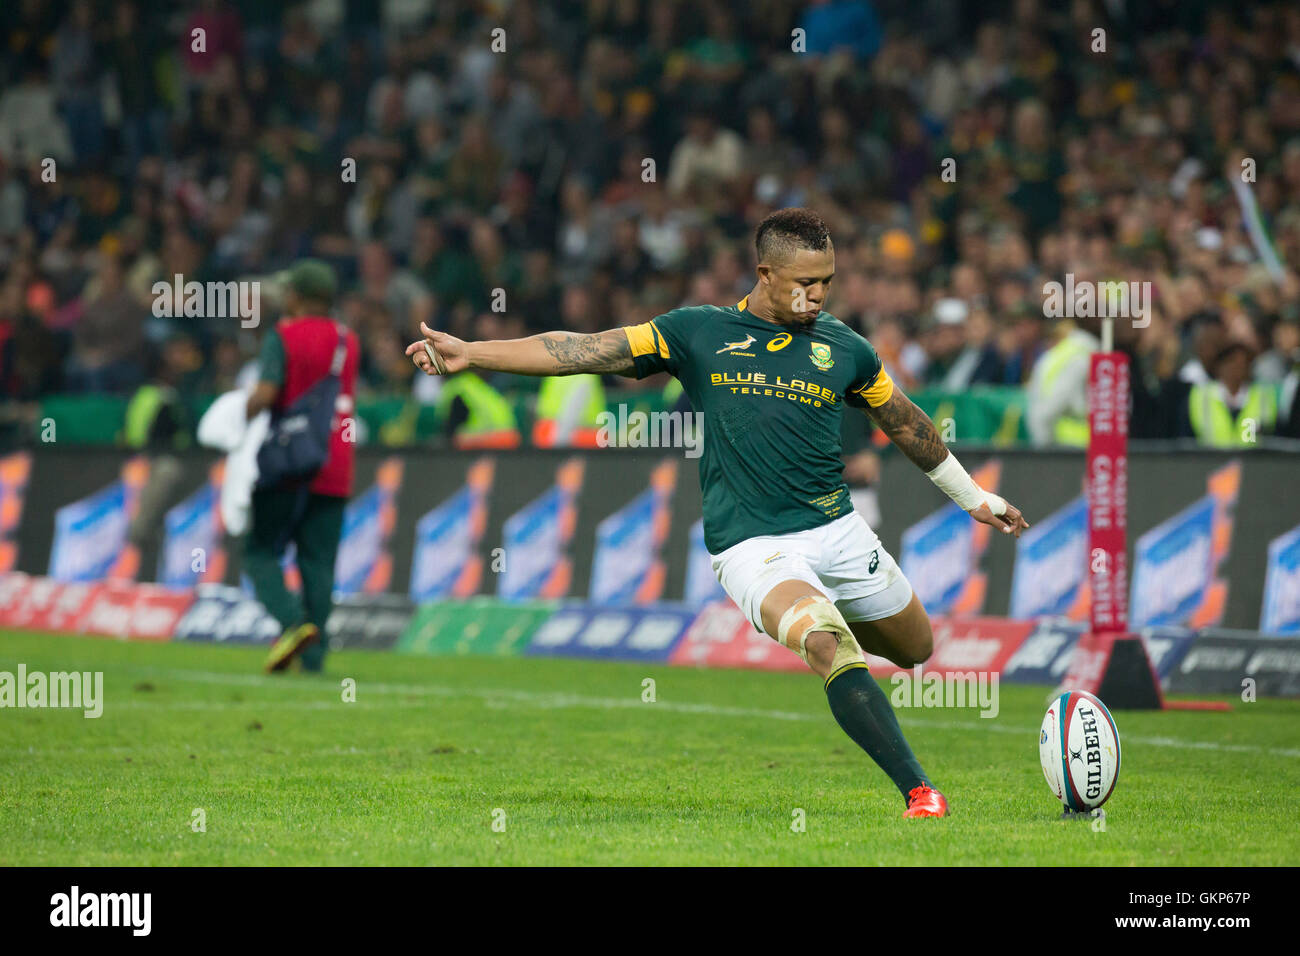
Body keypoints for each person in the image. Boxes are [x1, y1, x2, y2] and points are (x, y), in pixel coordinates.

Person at [406, 208, 1029, 818]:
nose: (818, 296)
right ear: (764, 273)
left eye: (828, 283)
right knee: (827, 643)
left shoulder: (846, 349)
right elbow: (586, 348)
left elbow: (906, 423)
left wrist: (974, 497)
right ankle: (921, 792)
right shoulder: (696, 332)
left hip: (839, 532)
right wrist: (475, 353)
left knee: (916, 648)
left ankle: (843, 625)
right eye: (805, 283)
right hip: (753, 545)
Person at [245, 260, 360, 673]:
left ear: (295, 296)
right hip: (335, 461)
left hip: (289, 460)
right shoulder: (348, 340)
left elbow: (267, 392)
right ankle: (314, 658)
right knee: (318, 561)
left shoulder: (283, 335)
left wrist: (239, 413)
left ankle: (293, 624)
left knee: (258, 550)